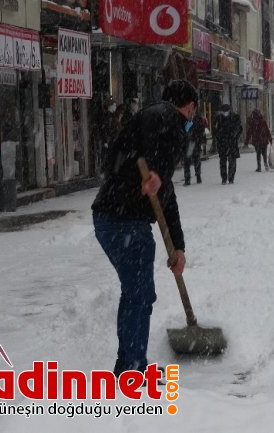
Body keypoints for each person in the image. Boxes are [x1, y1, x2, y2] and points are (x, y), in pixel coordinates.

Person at [92, 80, 195, 375]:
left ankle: (130, 362)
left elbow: (168, 200)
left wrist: (178, 247)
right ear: (188, 107)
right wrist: (154, 169)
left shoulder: (158, 135)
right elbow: (152, 119)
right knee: (138, 294)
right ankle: (131, 367)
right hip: (122, 222)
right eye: (191, 113)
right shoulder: (164, 116)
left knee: (139, 293)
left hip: (116, 220)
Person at [213, 104, 243, 184]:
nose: (224, 113)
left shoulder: (235, 117)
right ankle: (224, 178)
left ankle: (231, 178)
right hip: (222, 143)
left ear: (229, 111)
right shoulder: (219, 118)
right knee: (223, 161)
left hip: (231, 142)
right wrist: (218, 136)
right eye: (223, 111)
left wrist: (234, 136)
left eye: (226, 111)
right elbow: (215, 129)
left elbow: (239, 129)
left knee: (232, 161)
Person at [244, 109, 272, 173]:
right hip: (264, 141)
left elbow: (249, 133)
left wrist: (246, 141)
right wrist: (270, 139)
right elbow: (267, 131)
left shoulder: (252, 123)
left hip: (257, 141)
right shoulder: (263, 121)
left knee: (258, 154)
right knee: (264, 154)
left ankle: (259, 167)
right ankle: (265, 164)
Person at [183, 114, 206, 185]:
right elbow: (203, 134)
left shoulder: (192, 122)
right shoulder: (200, 124)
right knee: (195, 161)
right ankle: (197, 177)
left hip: (192, 144)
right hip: (194, 144)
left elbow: (186, 132)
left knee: (188, 162)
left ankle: (189, 179)